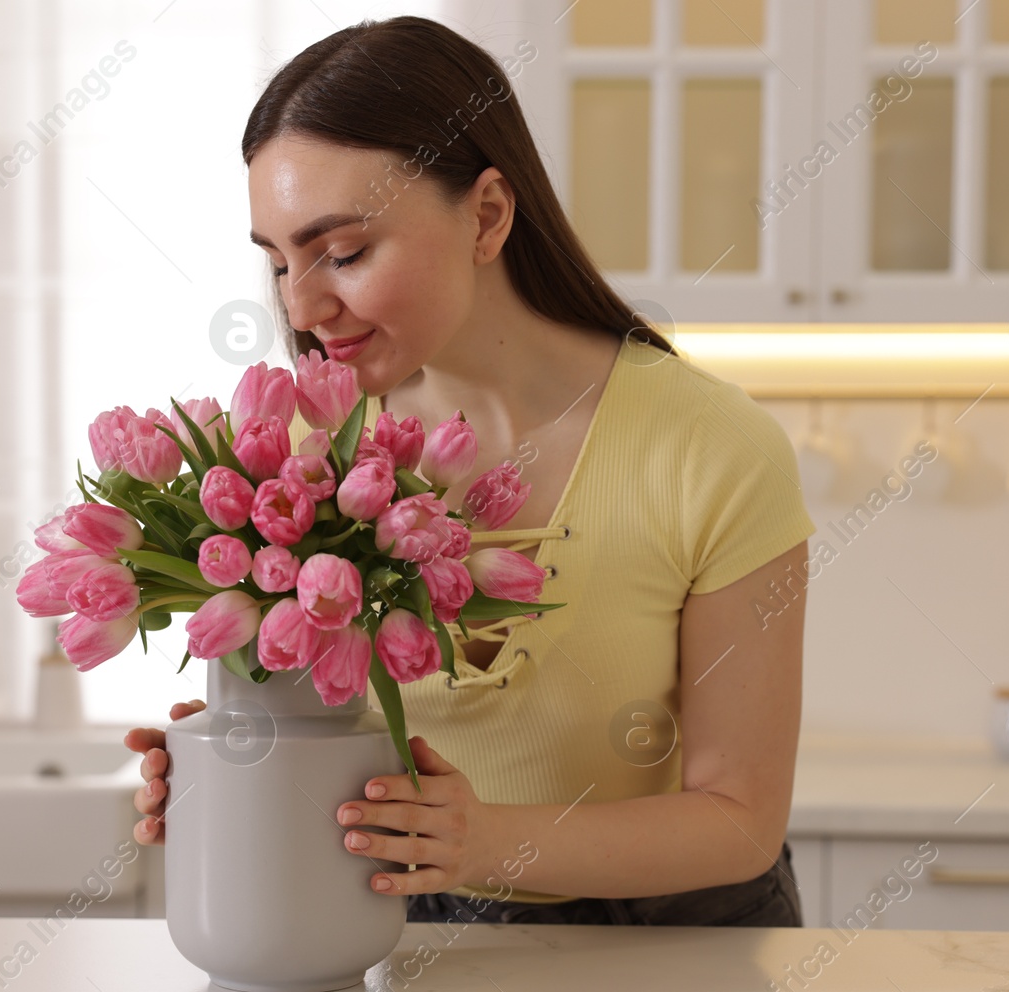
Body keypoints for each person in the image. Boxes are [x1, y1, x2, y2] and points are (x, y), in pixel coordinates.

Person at [123, 16, 815, 927]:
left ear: (486, 214)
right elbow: (328, 742)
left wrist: (483, 840)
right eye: (281, 260)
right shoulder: (301, 453)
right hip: (394, 933)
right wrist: (239, 764)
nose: (303, 304)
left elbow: (739, 823)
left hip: (673, 951)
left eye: (344, 252)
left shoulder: (711, 447)